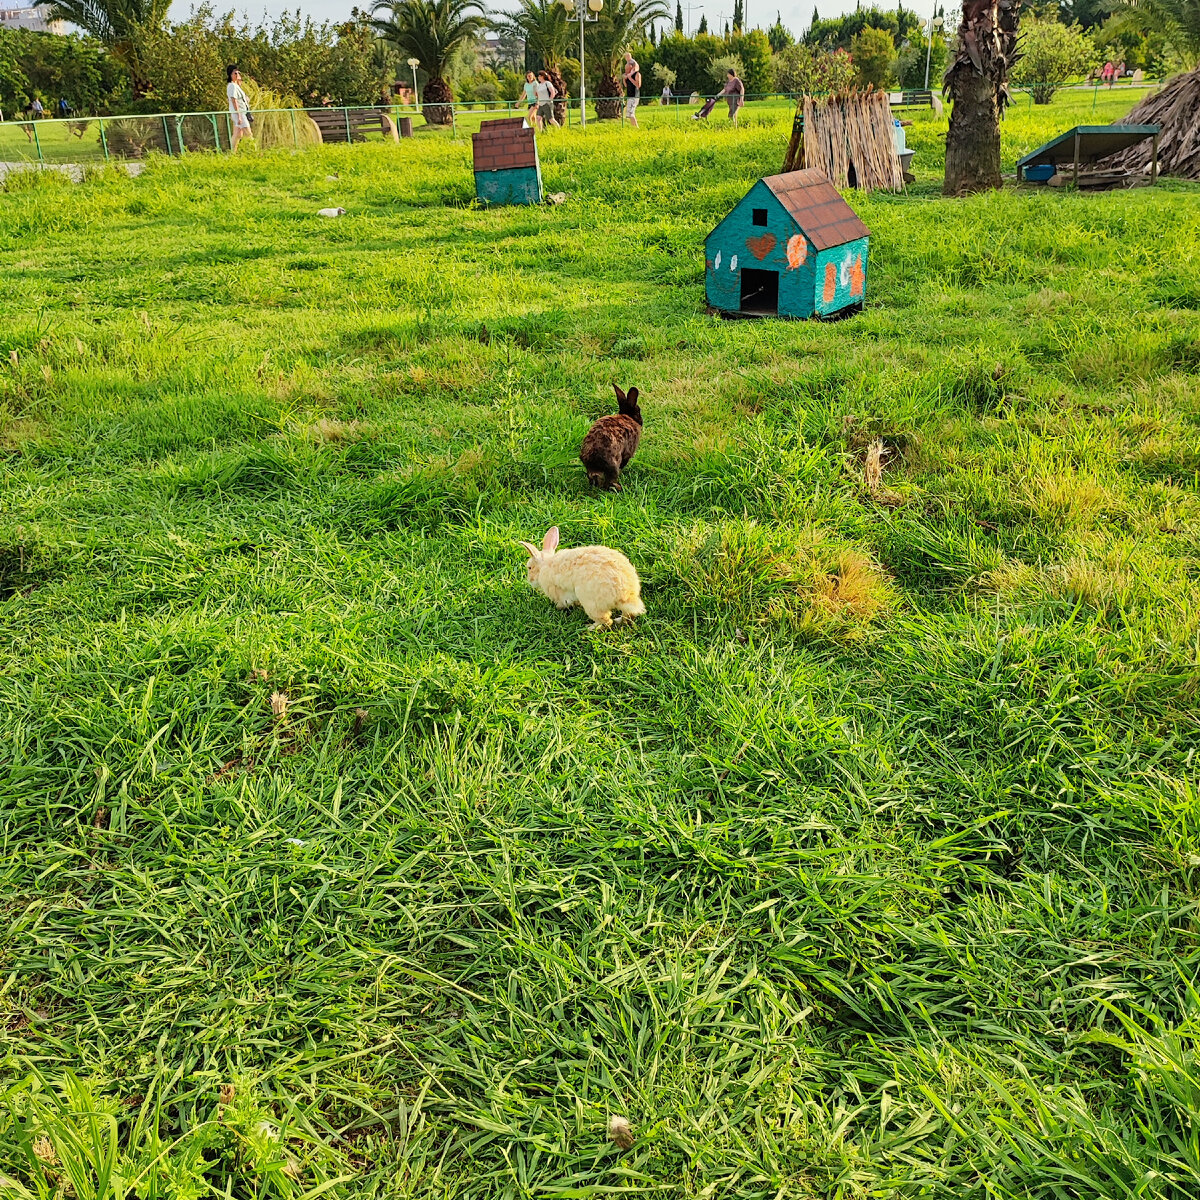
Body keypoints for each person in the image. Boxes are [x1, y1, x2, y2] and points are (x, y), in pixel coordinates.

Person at [226, 64, 251, 151]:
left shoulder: (236, 86)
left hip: (242, 112)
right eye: (235, 73)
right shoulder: (232, 86)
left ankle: (233, 153)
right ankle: (255, 151)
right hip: (239, 113)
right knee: (248, 133)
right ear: (230, 75)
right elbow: (234, 100)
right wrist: (239, 115)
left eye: (238, 73)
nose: (237, 75)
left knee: (238, 134)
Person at [622, 51, 641, 129]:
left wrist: (630, 78)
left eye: (627, 68)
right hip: (629, 96)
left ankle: (637, 128)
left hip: (635, 96)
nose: (626, 70)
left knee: (631, 113)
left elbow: (638, 85)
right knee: (628, 115)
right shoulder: (627, 76)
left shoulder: (637, 74)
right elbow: (626, 86)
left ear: (631, 67)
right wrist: (624, 79)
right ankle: (634, 128)